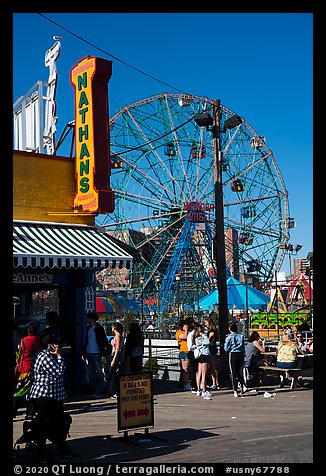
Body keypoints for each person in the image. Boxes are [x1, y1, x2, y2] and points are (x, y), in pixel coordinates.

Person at [28, 343, 79, 463]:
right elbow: (58, 372)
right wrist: (60, 356)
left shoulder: (40, 354)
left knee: (56, 425)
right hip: (46, 396)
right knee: (45, 427)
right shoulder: (45, 357)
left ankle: (62, 451)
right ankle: (42, 455)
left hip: (51, 396)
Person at [13, 322, 41, 418]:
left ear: (28, 331)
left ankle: (13, 411)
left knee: (19, 391)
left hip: (24, 368)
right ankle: (30, 413)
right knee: (32, 392)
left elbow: (20, 355)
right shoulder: (38, 340)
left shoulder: (24, 341)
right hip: (35, 368)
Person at [81, 312, 112, 398]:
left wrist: (107, 351)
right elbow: (86, 341)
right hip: (89, 352)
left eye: (88, 318)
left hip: (97, 352)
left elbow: (104, 340)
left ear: (92, 319)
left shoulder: (99, 328)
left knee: (98, 371)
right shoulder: (88, 328)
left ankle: (101, 388)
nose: (87, 320)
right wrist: (83, 352)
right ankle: (93, 388)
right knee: (90, 372)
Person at [224, 322, 247, 397]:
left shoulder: (229, 337)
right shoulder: (241, 336)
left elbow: (226, 348)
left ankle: (235, 390)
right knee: (240, 371)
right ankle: (243, 386)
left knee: (233, 373)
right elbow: (243, 347)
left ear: (230, 329)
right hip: (240, 354)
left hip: (233, 354)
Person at [193, 324, 212, 400]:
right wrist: (204, 335)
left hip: (199, 355)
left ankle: (198, 389)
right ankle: (204, 390)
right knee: (204, 374)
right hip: (204, 354)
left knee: (199, 372)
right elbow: (207, 342)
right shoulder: (202, 337)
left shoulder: (196, 338)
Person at [107, 321, 124, 398]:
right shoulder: (118, 336)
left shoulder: (118, 336)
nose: (111, 327)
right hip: (116, 355)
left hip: (116, 355)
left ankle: (115, 392)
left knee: (114, 374)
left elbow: (118, 349)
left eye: (112, 326)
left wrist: (113, 360)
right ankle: (115, 391)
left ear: (115, 328)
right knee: (114, 374)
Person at [203, 317, 219, 390]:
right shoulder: (213, 330)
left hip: (211, 350)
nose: (205, 324)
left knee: (212, 367)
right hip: (212, 349)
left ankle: (215, 383)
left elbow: (209, 340)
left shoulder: (212, 331)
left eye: (206, 322)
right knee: (212, 367)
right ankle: (215, 383)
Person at [175, 319, 191, 391]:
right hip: (184, 351)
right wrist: (186, 330)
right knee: (185, 369)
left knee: (189, 368)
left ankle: (187, 382)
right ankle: (186, 383)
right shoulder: (179, 333)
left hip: (189, 351)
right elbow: (185, 337)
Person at [186, 319, 198, 391]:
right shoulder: (191, 334)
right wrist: (197, 346)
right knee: (193, 369)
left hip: (196, 352)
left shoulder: (196, 335)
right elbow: (190, 346)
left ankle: (197, 384)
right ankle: (194, 385)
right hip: (192, 352)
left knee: (196, 369)